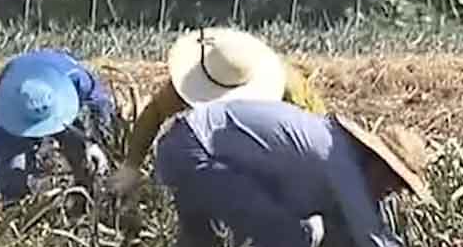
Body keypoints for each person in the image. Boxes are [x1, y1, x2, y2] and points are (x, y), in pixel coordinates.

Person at [151, 96, 429, 247]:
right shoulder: (340, 163)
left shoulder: (340, 171)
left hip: (192, 145)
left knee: (201, 242)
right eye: (394, 182)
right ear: (377, 164)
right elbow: (374, 245)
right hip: (194, 149)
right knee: (289, 239)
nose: (392, 191)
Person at [108, 26, 326, 199]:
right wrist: (131, 165)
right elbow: (155, 112)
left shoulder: (293, 98)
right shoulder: (205, 72)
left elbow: (316, 145)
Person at [0, 48, 118, 206]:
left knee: (82, 152)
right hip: (20, 107)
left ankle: (85, 198)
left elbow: (100, 103)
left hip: (63, 107)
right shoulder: (6, 97)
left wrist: (96, 143)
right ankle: (15, 208)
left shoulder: (76, 78)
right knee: (13, 168)